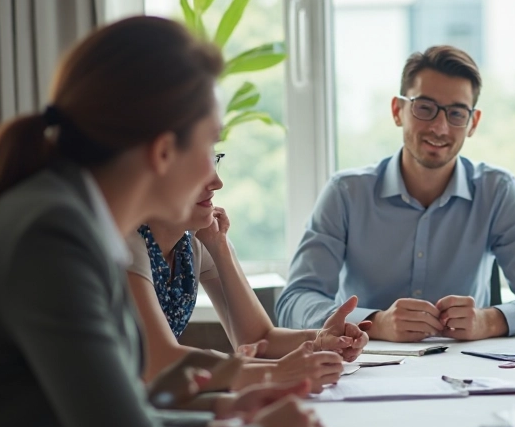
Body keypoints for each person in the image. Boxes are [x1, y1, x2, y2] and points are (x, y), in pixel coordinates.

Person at [0, 17, 324, 427]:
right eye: (211, 145)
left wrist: (221, 411)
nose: (216, 174)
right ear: (163, 152)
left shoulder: (74, 221)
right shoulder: (52, 236)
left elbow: (105, 425)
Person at [276, 45, 515, 341]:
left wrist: (487, 321)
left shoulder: (498, 191)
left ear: (473, 123)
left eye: (456, 113)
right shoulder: (345, 194)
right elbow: (295, 301)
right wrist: (375, 322)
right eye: (425, 108)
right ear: (397, 111)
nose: (440, 127)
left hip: (464, 364)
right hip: (364, 361)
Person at [127, 161, 369, 387]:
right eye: (197, 165)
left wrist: (320, 340)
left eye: (214, 160)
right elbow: (160, 361)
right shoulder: (126, 245)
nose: (217, 182)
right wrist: (275, 373)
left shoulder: (195, 241)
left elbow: (258, 339)